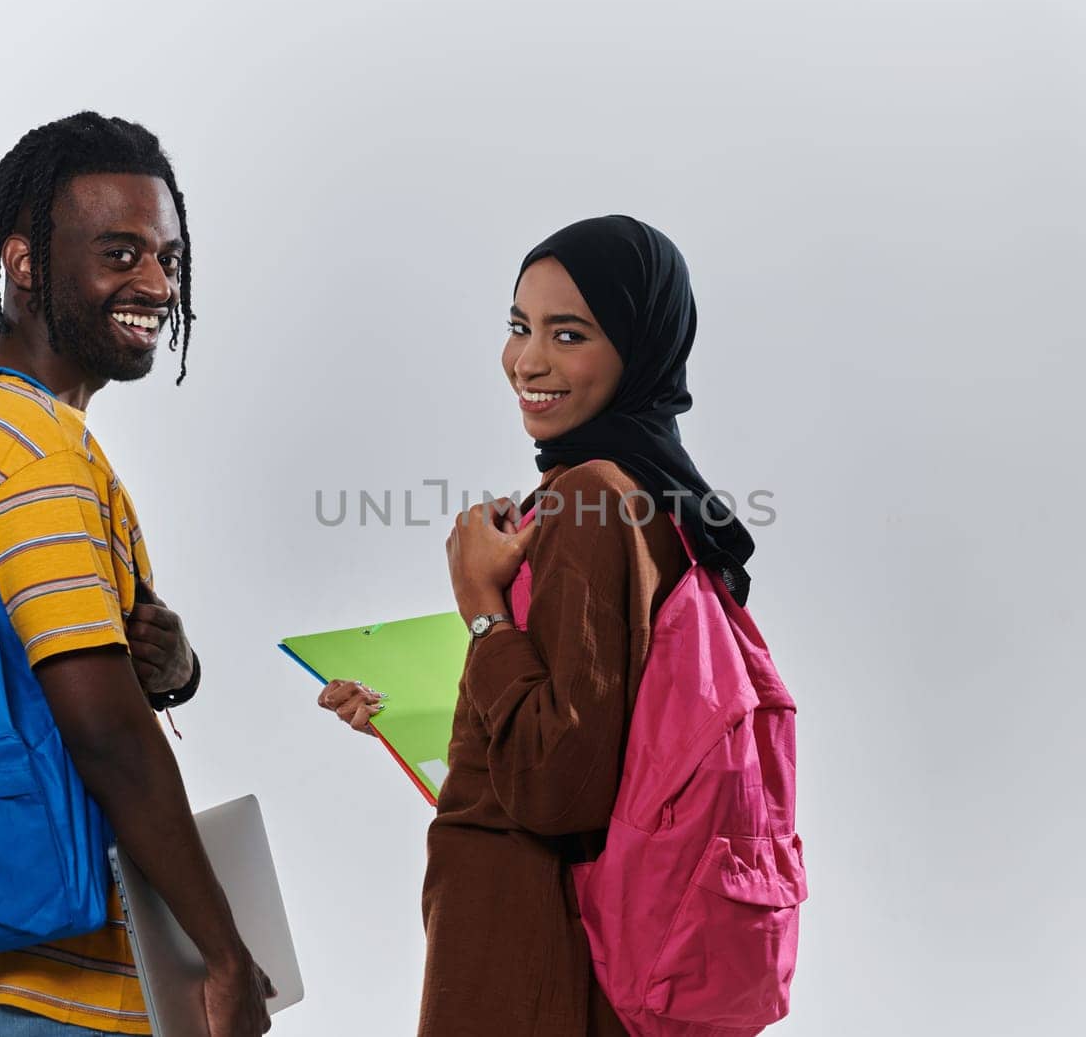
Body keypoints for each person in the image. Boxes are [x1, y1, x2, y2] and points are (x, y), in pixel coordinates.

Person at [0, 113, 272, 1037]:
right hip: (46, 985)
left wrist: (166, 666)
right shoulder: (41, 448)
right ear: (25, 261)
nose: (156, 283)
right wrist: (226, 954)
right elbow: (105, 732)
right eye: (119, 252)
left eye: (167, 255)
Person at [318, 215, 757, 1035]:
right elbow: (604, 724)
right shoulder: (649, 497)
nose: (528, 361)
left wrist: (482, 606)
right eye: (519, 326)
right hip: (563, 955)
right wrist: (418, 714)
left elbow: (558, 786)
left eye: (570, 333)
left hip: (536, 963)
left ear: (640, 347)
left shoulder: (591, 498)